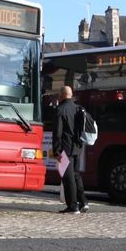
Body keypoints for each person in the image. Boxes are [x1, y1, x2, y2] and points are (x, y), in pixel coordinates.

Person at [52, 85, 89, 214]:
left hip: (64, 148)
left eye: (59, 94)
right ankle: (83, 202)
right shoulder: (79, 108)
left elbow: (57, 133)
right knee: (76, 175)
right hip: (77, 148)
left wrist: (56, 151)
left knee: (67, 178)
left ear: (62, 94)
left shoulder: (60, 109)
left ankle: (73, 206)